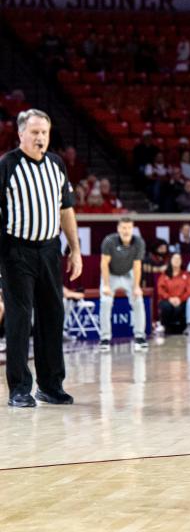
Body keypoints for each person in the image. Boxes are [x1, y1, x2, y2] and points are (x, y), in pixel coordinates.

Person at [0, 110, 82, 407]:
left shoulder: (57, 165)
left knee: (53, 316)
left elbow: (66, 209)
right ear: (21, 134)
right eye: (34, 132)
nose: (40, 138)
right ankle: (19, 388)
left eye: (44, 132)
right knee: (20, 319)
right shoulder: (6, 165)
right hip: (15, 250)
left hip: (49, 249)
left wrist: (75, 249)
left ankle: (50, 385)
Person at [98, 217, 148, 351]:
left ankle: (139, 337)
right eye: (123, 228)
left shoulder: (138, 242)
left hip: (128, 274)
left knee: (138, 300)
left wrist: (137, 287)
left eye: (129, 228)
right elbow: (104, 264)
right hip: (111, 274)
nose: (126, 231)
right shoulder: (109, 241)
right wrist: (106, 285)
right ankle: (105, 338)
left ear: (132, 229)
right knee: (105, 301)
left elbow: (137, 266)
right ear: (118, 229)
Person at [157, 253, 190, 334]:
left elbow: (189, 290)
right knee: (166, 306)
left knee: (180, 308)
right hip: (167, 299)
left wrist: (180, 299)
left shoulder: (186, 275)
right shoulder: (164, 275)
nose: (177, 261)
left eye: (179, 259)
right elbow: (160, 289)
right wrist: (169, 298)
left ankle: (181, 328)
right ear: (170, 261)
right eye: (174, 259)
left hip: (182, 300)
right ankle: (164, 326)